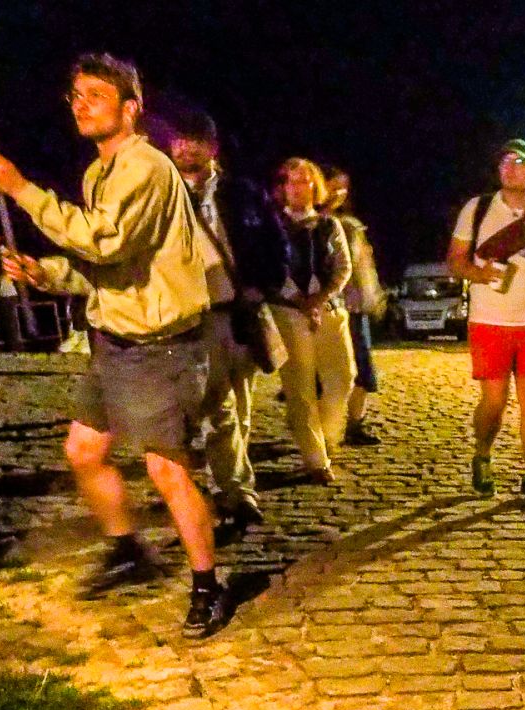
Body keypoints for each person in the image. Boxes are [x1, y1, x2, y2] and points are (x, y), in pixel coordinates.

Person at [0, 52, 229, 639]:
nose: (81, 104)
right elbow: (105, 266)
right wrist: (47, 273)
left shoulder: (145, 167)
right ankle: (127, 549)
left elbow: (103, 241)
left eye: (96, 94)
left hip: (161, 345)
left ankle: (207, 584)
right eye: (76, 96)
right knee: (85, 451)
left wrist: (21, 189)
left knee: (167, 470)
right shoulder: (99, 173)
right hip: (114, 336)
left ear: (131, 107)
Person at [163, 105, 289, 534]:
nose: (185, 148)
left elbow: (276, 244)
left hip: (241, 311)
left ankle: (232, 481)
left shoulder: (243, 193)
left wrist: (261, 286)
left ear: (212, 147)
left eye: (194, 141)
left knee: (241, 406)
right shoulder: (164, 197)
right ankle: (235, 491)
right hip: (195, 317)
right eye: (178, 141)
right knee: (217, 409)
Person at [446, 138, 525, 507]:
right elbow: (455, 260)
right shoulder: (478, 209)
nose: (510, 168)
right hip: (489, 321)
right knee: (494, 402)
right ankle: (482, 453)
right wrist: (477, 273)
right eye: (504, 162)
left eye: (519, 161)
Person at [268, 157, 353, 484]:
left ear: (315, 186)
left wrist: (320, 298)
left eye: (304, 181)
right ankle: (316, 458)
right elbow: (270, 268)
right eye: (292, 181)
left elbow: (343, 267)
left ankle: (328, 435)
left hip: (328, 310)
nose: (298, 188)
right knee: (299, 387)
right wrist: (297, 299)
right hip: (289, 313)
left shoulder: (329, 225)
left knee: (343, 377)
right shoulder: (273, 226)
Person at [323, 166, 387, 446]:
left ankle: (355, 423)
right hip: (331, 306)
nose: (339, 193)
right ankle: (325, 426)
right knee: (332, 371)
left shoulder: (350, 224)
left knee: (362, 369)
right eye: (333, 186)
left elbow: (362, 269)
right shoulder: (318, 225)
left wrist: (373, 296)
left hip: (355, 307)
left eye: (343, 188)